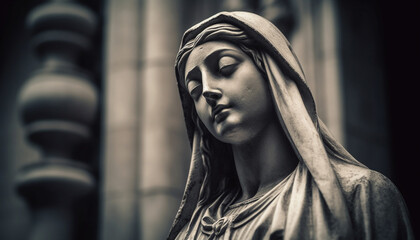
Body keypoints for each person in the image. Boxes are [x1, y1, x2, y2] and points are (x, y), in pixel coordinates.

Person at [168, 11, 413, 239]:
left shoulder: (361, 195)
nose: (208, 91)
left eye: (225, 68)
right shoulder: (192, 233)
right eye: (195, 90)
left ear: (272, 71)